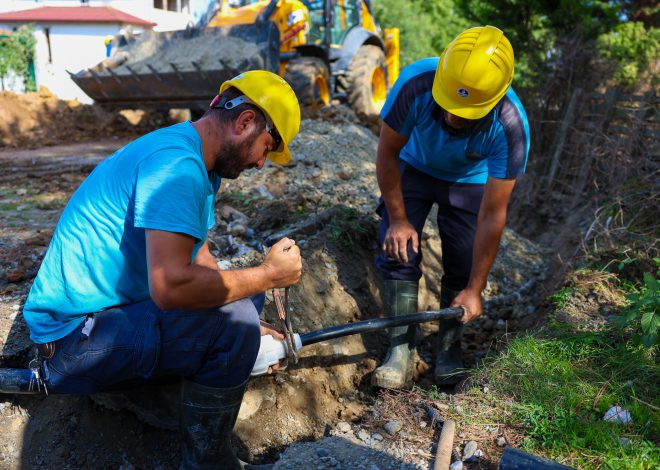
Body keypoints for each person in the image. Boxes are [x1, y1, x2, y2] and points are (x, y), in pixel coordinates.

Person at [22, 70, 302, 469]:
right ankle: (208, 460)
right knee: (234, 320)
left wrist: (253, 305)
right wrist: (269, 275)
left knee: (245, 303)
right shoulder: (178, 168)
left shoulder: (195, 161)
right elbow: (170, 288)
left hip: (101, 319)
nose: (261, 162)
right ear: (244, 123)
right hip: (72, 342)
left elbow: (199, 259)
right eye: (266, 147)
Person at [371, 26, 530, 389]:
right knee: (398, 252)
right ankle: (400, 351)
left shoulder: (511, 127)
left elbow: (493, 215)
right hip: (413, 164)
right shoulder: (414, 84)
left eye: (467, 112)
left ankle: (449, 349)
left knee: (461, 258)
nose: (454, 118)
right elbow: (387, 152)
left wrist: (475, 287)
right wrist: (397, 218)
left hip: (469, 181)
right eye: (449, 106)